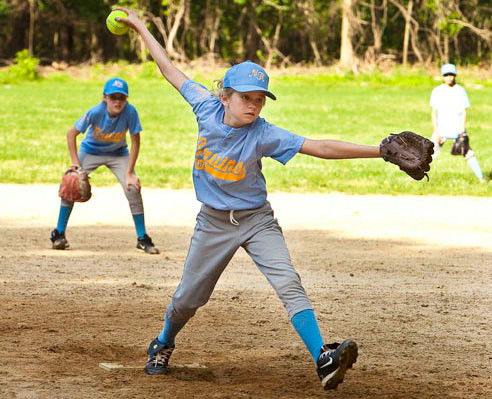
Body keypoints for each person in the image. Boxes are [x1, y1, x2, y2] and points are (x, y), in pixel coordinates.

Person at [115, 7, 390, 391]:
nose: (254, 106)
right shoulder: (204, 106)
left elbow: (320, 146)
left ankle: (323, 358)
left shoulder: (263, 133)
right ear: (224, 97)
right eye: (246, 97)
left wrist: (380, 150)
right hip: (213, 223)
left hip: (256, 219)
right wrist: (140, 26)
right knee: (187, 300)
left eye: (260, 99)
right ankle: (163, 342)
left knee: (288, 282)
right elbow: (167, 68)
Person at [50, 77, 160, 254]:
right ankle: (59, 233)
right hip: (91, 151)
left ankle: (142, 238)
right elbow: (71, 134)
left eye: (121, 98)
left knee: (132, 188)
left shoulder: (131, 113)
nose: (117, 101)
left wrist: (130, 172)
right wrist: (75, 165)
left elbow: (135, 142)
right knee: (71, 184)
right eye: (113, 97)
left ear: (126, 99)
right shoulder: (95, 112)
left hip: (118, 154)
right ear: (105, 98)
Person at [430, 63, 485, 182]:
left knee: (468, 154)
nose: (449, 77)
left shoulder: (460, 90)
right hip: (441, 129)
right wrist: (436, 131)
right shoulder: (437, 91)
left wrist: (462, 129)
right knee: (429, 154)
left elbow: (464, 111)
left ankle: (481, 178)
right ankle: (416, 177)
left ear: (455, 75)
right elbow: (434, 112)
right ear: (442, 76)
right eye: (446, 75)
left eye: (451, 74)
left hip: (457, 128)